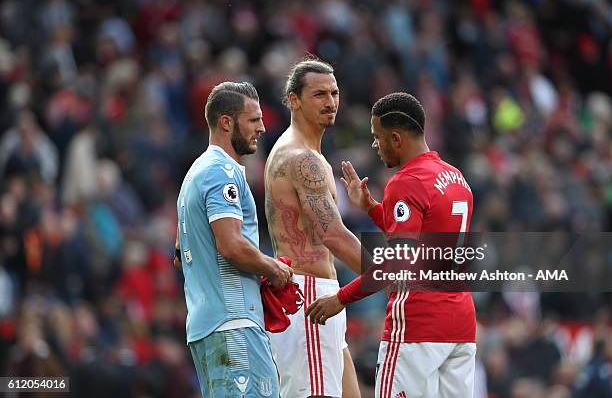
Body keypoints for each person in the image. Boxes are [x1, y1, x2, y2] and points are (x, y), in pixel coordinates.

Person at [306, 92, 477, 398]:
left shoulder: (406, 181)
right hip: (460, 323)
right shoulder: (456, 178)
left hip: (417, 323)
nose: (375, 145)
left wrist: (340, 298)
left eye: (377, 137)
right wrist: (372, 208)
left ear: (396, 138)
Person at [176, 81, 293, 398]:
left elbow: (179, 251)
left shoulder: (196, 174)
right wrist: (273, 269)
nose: (262, 127)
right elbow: (230, 245)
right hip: (234, 324)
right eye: (253, 120)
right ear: (226, 122)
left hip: (208, 326)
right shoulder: (221, 172)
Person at [264, 57, 362, 398]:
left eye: (334, 93)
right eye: (319, 94)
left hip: (317, 297)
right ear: (294, 100)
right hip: (310, 298)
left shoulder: (303, 153)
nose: (331, 101)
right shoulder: (302, 157)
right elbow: (331, 234)